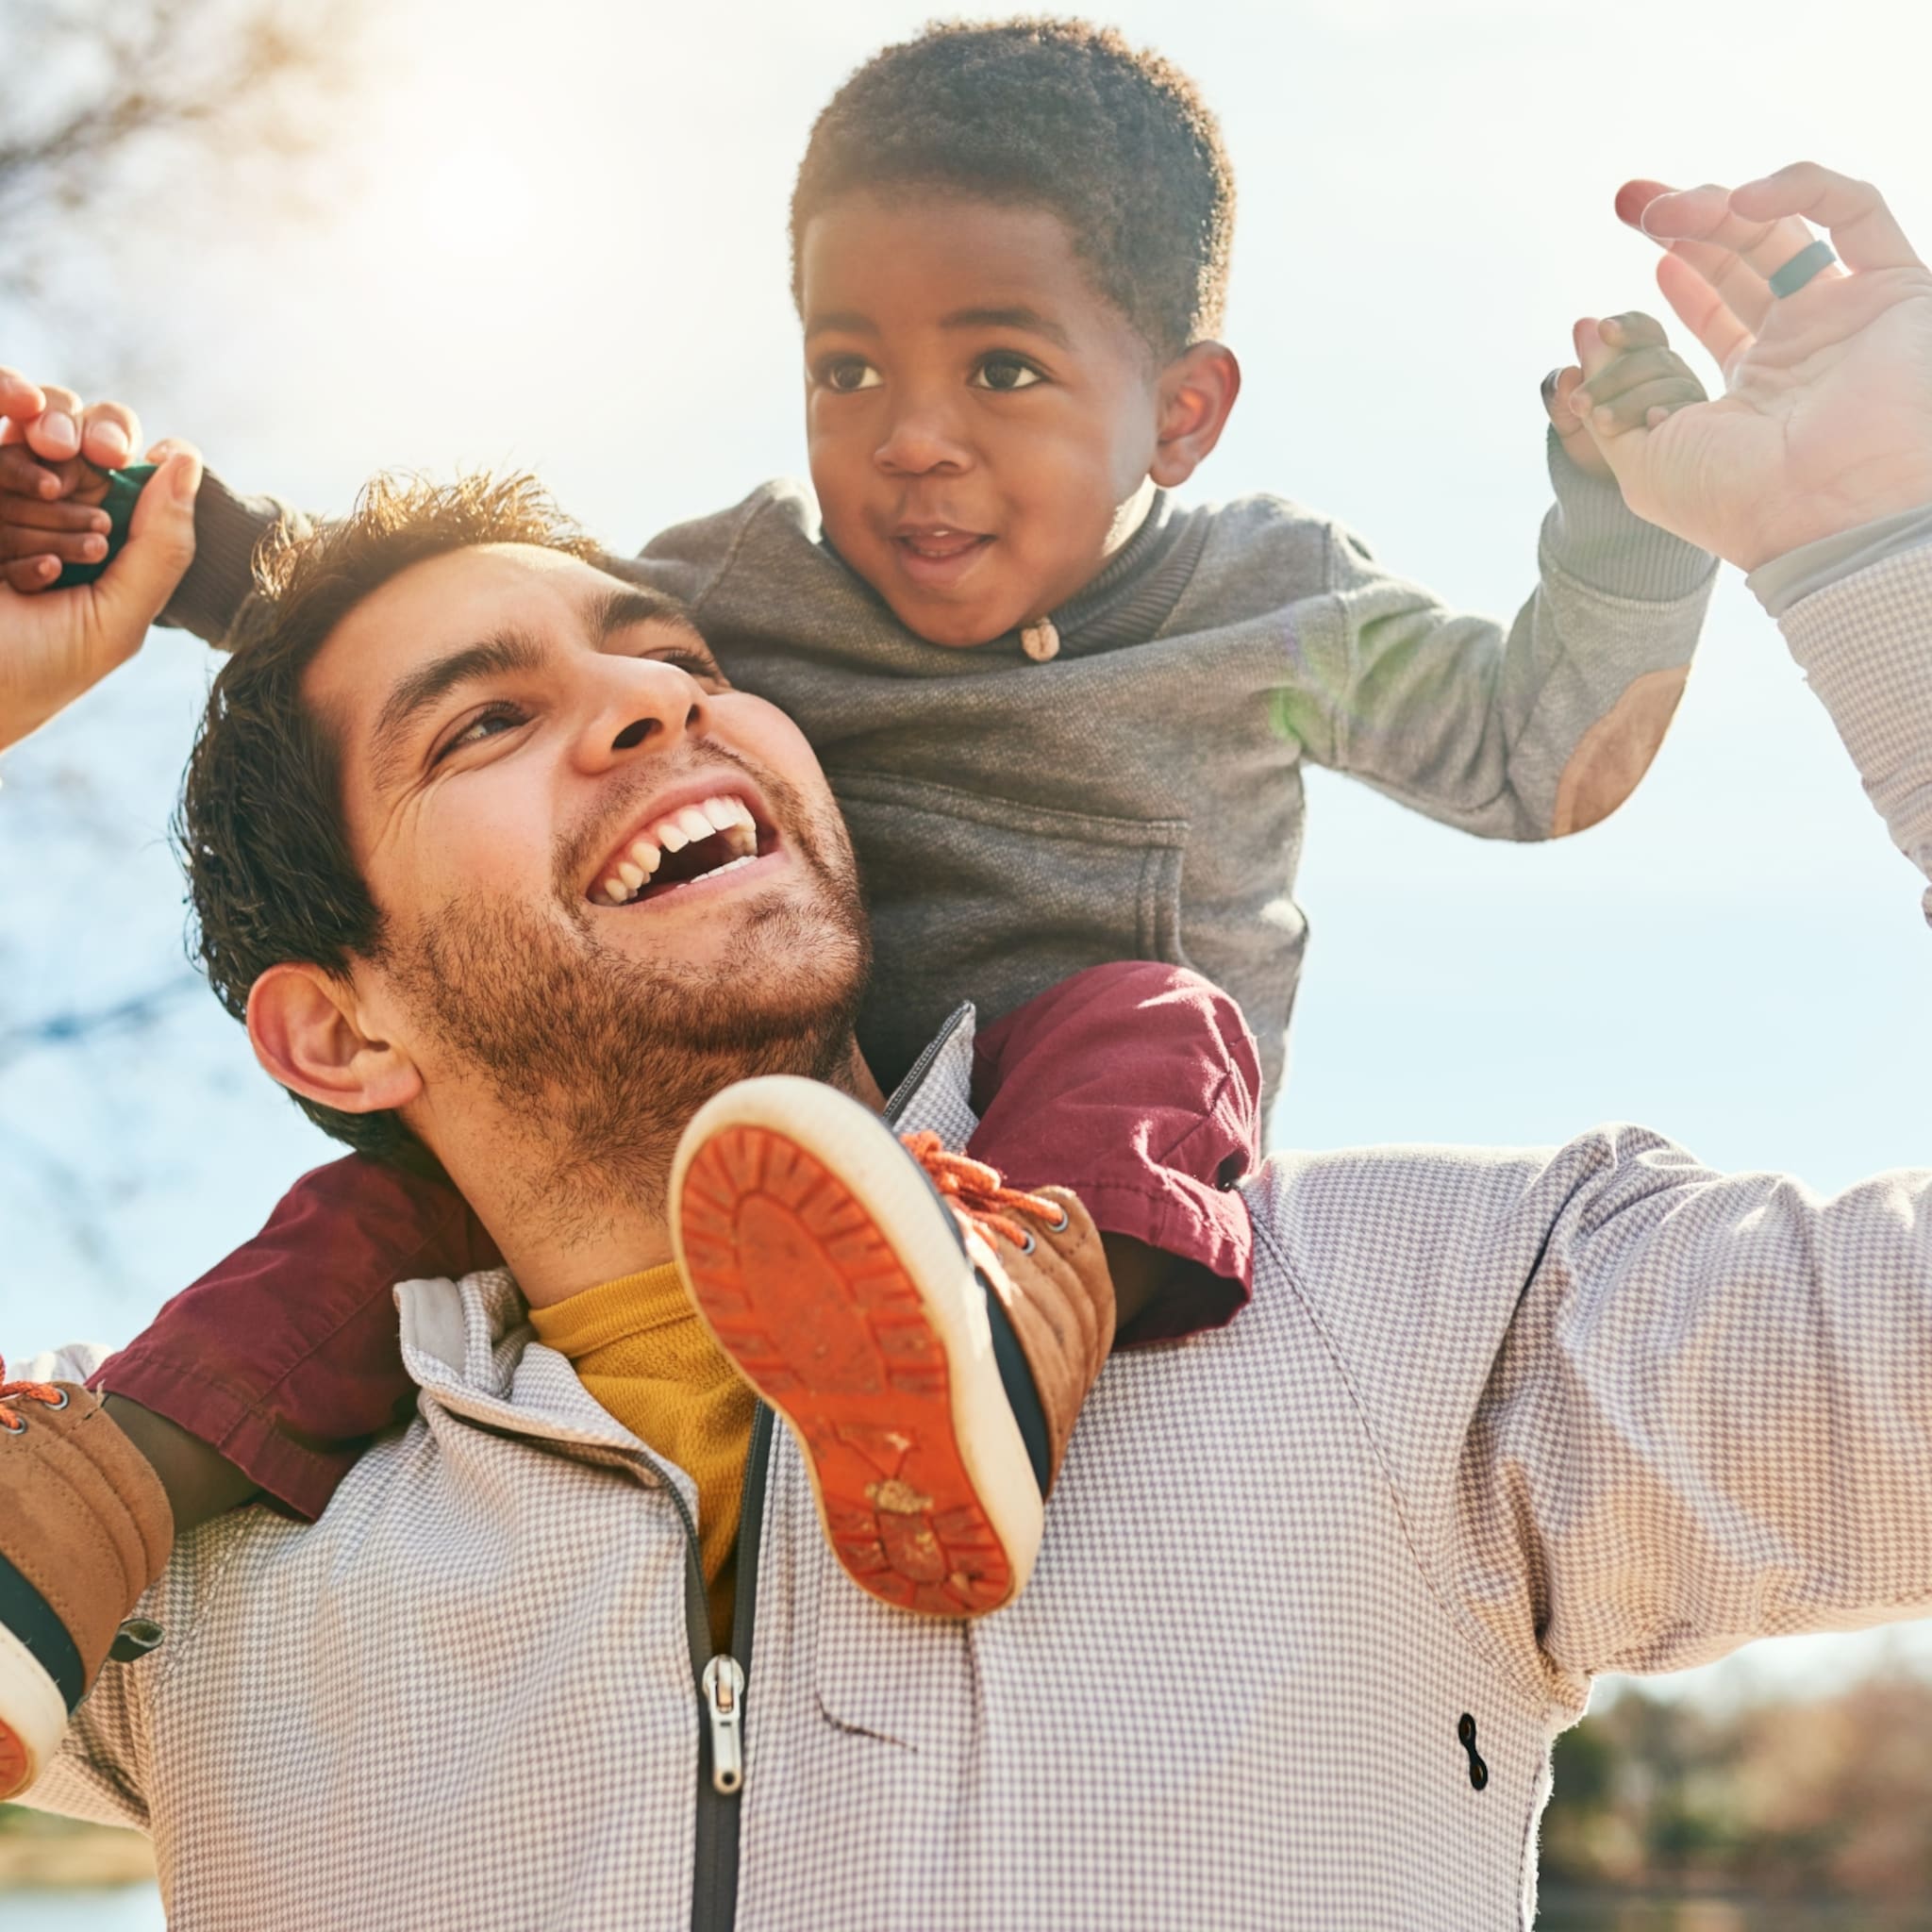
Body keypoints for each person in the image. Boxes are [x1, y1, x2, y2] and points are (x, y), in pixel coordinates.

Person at [6, 158, 1932, 1930]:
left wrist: (1878, 545)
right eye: (482, 724)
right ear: (335, 1031)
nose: (657, 708)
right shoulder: (190, 1579)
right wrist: (153, 546)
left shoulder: (1422, 1336)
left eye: (680, 662)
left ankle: (1009, 1325)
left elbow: (1532, 739)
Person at [0, 18, 1718, 1645]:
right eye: (848, 368)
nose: (910, 442)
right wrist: (172, 543)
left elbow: (1537, 759)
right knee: (372, 1213)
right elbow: (462, 641)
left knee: (1148, 1018)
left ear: (1183, 411)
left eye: (1002, 369)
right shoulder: (740, 589)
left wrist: (1632, 533)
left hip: (1081, 1168)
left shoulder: (1281, 609)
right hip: (732, 1131)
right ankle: (70, 1535)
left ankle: (991, 1359)